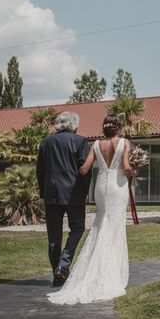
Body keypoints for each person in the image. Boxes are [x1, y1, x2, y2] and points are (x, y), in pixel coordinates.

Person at [47, 114, 134, 305]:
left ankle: (76, 270)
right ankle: (111, 273)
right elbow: (126, 167)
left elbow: (84, 169)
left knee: (100, 224)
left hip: (101, 187)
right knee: (115, 228)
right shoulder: (124, 143)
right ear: (118, 128)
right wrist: (134, 170)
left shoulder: (95, 144)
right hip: (117, 187)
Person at [36, 111, 91, 288]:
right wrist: (85, 190)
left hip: (51, 194)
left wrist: (43, 192)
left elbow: (40, 170)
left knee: (53, 237)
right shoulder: (80, 141)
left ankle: (57, 273)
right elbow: (85, 168)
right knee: (78, 228)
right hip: (73, 192)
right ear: (74, 124)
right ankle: (63, 265)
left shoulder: (45, 142)